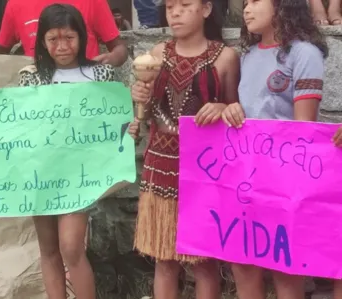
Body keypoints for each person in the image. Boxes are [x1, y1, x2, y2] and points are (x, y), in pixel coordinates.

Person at [0, 4, 115, 299]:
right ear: (41, 41)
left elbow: (116, 122)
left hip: (80, 176)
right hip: (40, 175)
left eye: (69, 38)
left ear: (82, 37)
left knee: (71, 247)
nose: (62, 46)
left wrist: (128, 129)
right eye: (53, 39)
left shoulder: (99, 75)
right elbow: (13, 127)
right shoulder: (31, 77)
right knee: (49, 249)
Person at [127, 0, 240, 298]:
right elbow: (149, 114)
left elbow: (237, 113)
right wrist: (141, 99)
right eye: (169, 7)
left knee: (204, 262)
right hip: (160, 164)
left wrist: (221, 107)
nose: (175, 13)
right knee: (164, 260)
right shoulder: (156, 55)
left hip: (204, 170)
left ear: (205, 9)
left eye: (184, 5)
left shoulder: (225, 57)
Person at [221, 0, 328, 299]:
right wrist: (229, 111)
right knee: (242, 265)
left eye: (255, 0)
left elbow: (304, 126)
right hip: (245, 176)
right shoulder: (249, 55)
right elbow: (245, 112)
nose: (246, 9)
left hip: (285, 179)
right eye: (244, 3)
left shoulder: (304, 53)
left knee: (285, 268)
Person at [0, 0, 128, 68]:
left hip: (87, 94)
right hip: (40, 103)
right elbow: (1, 46)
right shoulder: (16, 4)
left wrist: (112, 59)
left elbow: (119, 47)